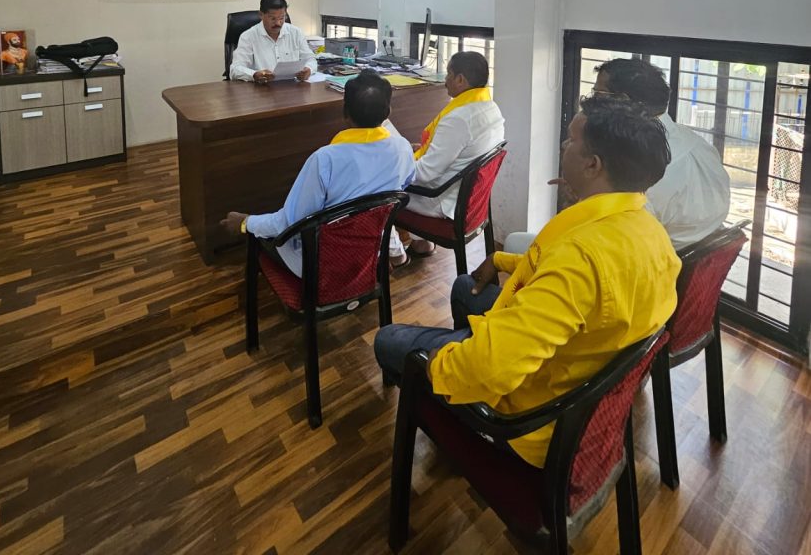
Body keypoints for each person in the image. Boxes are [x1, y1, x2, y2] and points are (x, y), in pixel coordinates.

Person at [374, 96, 681, 468]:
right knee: (463, 287)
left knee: (390, 341)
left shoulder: (581, 257)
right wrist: (501, 260)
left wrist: (438, 366)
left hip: (528, 415)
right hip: (577, 362)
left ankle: (457, 418)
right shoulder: (651, 232)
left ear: (593, 164)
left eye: (571, 140)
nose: (563, 145)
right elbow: (577, 283)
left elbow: (490, 367)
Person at [505, 57, 731, 252]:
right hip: (679, 255)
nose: (592, 102)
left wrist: (582, 195)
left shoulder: (637, 166)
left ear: (622, 101)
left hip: (633, 259)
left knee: (516, 244)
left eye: (597, 94)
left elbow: (607, 234)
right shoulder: (697, 143)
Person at [221, 70, 415, 276]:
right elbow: (402, 186)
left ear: (345, 112)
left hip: (321, 264)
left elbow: (289, 222)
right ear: (388, 112)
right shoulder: (403, 147)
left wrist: (245, 222)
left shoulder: (325, 159)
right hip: (370, 252)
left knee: (262, 236)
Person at [389, 51, 504, 266]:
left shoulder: (459, 119)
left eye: (448, 74)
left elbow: (425, 175)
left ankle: (395, 255)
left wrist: (396, 159)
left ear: (460, 80)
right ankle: (422, 243)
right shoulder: (491, 108)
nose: (445, 80)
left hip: (442, 201)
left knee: (380, 188)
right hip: (469, 199)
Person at [228, 0, 317, 83]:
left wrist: (308, 69)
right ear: (261, 15)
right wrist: (254, 75)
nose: (278, 23)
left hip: (292, 87)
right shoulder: (248, 37)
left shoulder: (296, 33)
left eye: (282, 18)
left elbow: (310, 59)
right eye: (273, 18)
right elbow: (235, 69)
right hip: (261, 88)